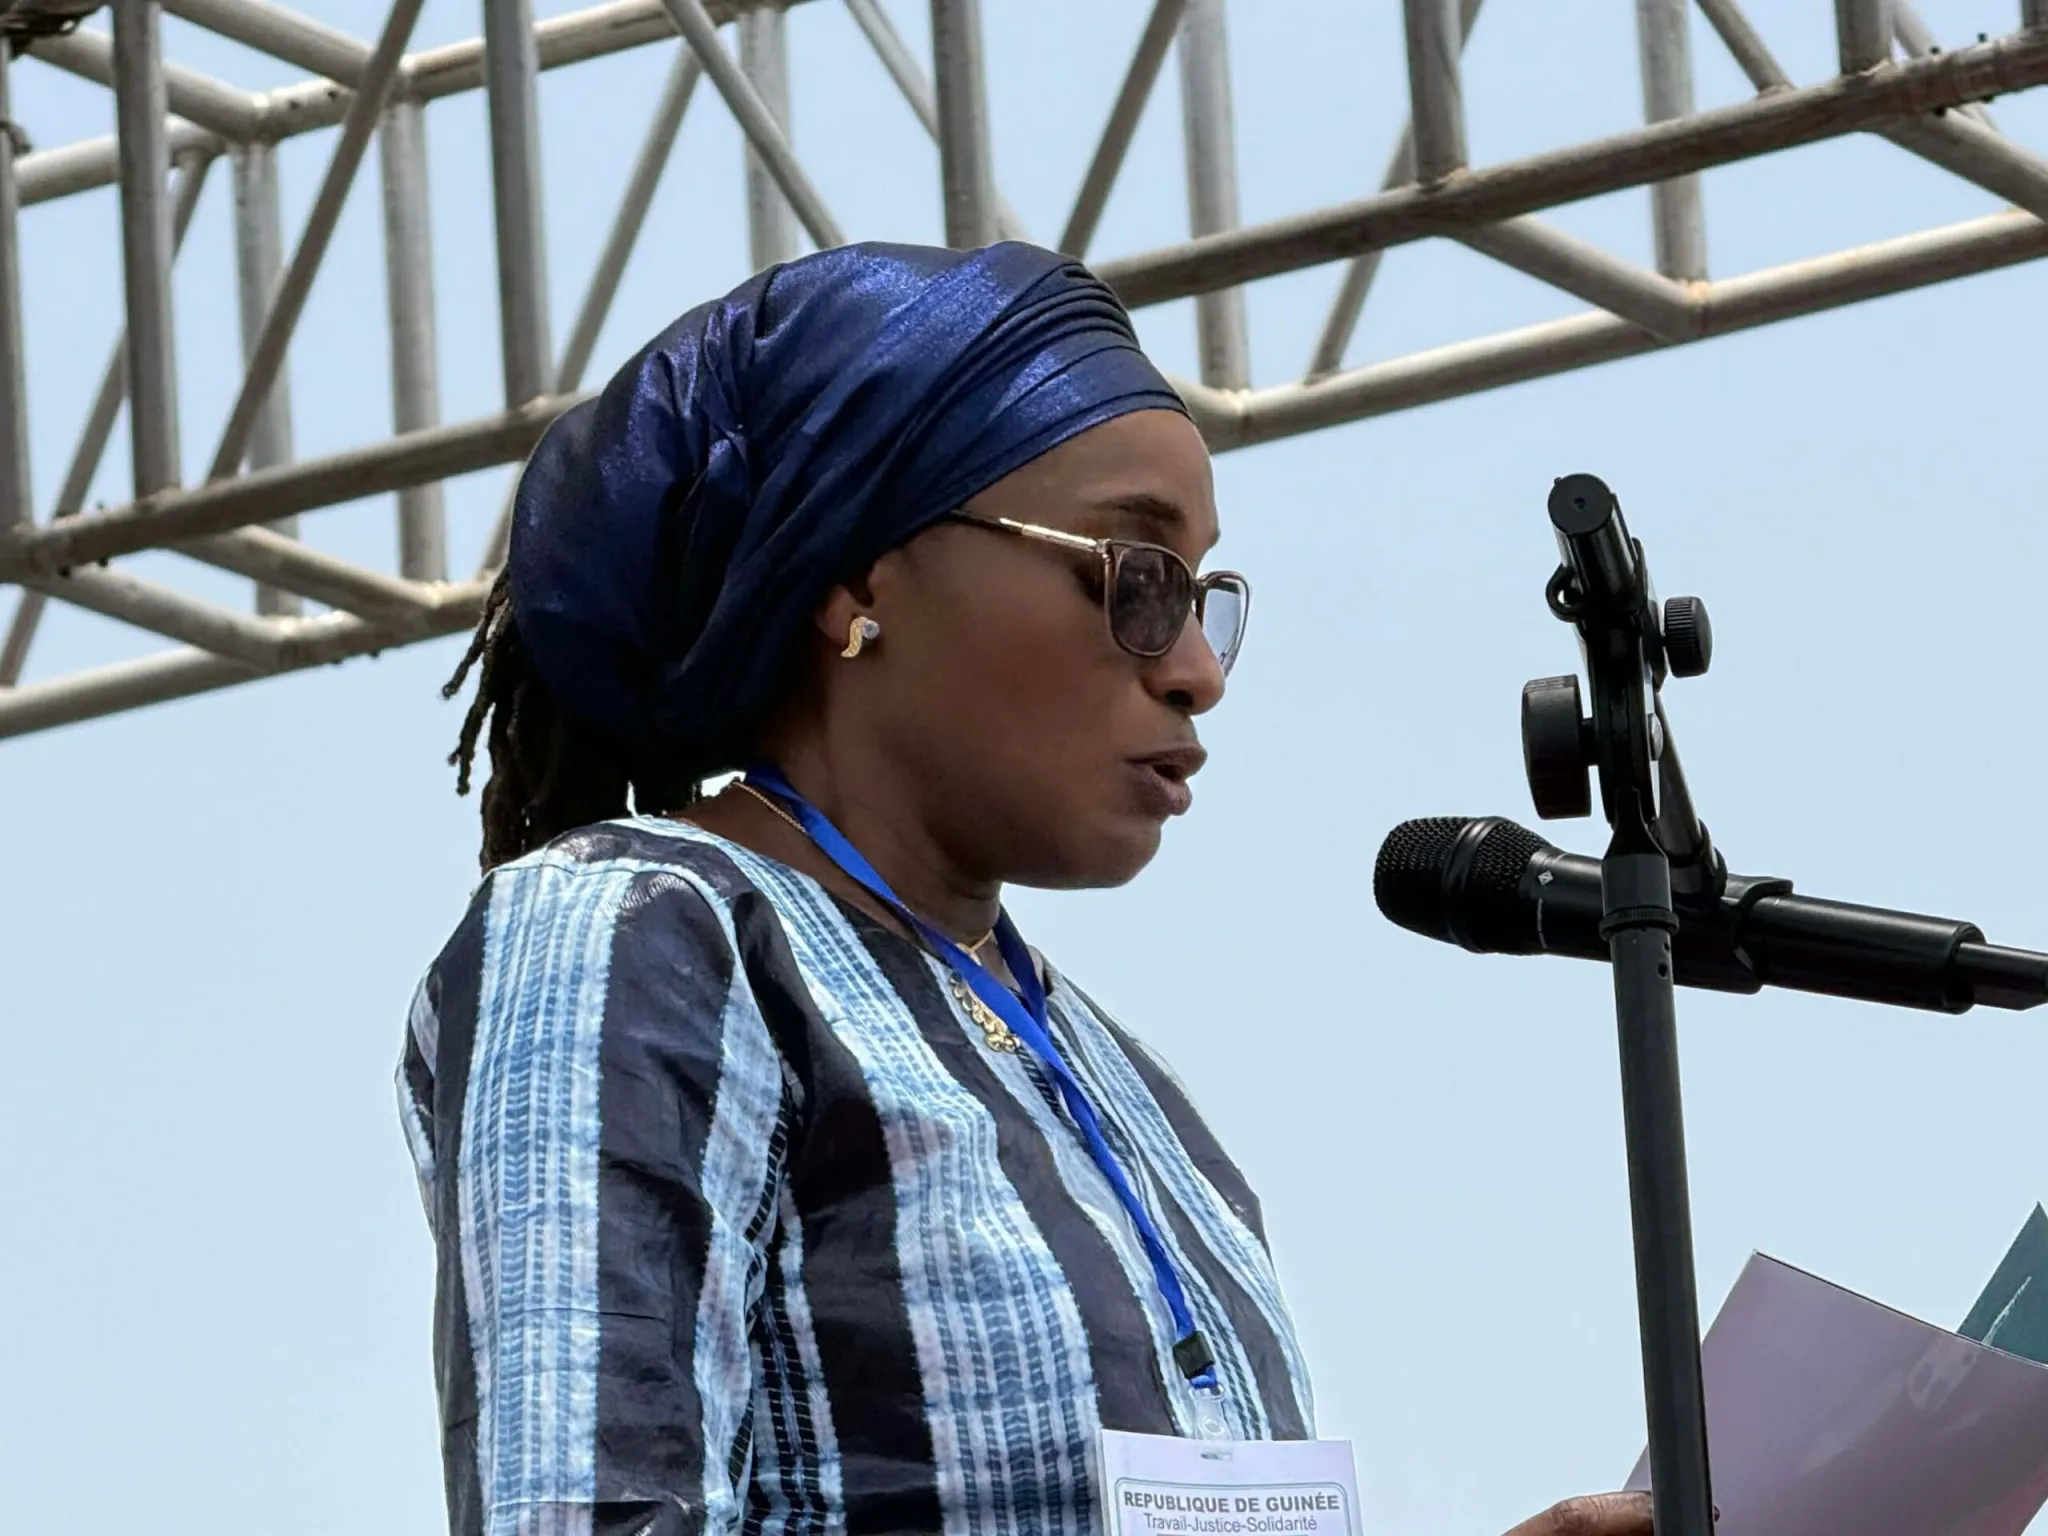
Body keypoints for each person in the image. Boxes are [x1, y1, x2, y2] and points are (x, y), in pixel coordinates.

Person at [401, 241, 1652, 1536]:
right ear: (858, 579)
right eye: (1133, 577)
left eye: (1204, 598)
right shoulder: (641, 931)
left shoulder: (1131, 1088)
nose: (1197, 671)